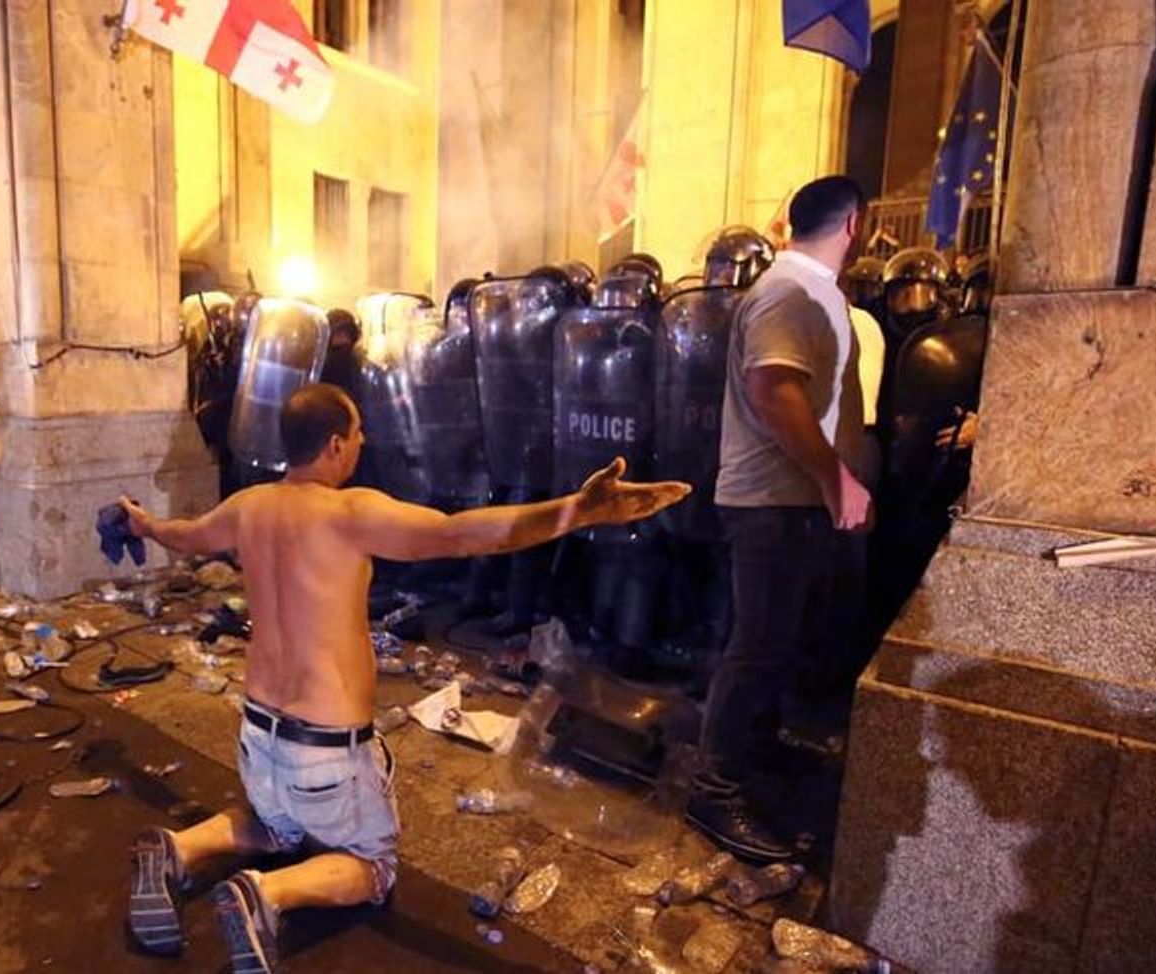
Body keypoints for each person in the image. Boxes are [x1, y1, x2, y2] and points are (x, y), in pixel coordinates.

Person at [120, 383, 689, 972]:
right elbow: (458, 533)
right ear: (336, 444)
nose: (364, 444)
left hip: (257, 739)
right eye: (360, 434)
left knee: (279, 827)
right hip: (323, 757)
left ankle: (179, 849)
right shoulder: (349, 512)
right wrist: (581, 509)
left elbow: (182, 535)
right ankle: (263, 897)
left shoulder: (247, 507)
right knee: (374, 868)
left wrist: (143, 525)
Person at [689, 175, 871, 862]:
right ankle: (713, 791)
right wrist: (836, 478)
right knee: (757, 645)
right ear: (854, 223)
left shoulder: (808, 291)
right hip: (772, 503)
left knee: (774, 642)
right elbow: (774, 389)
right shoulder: (788, 293)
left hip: (791, 502)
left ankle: (755, 750)